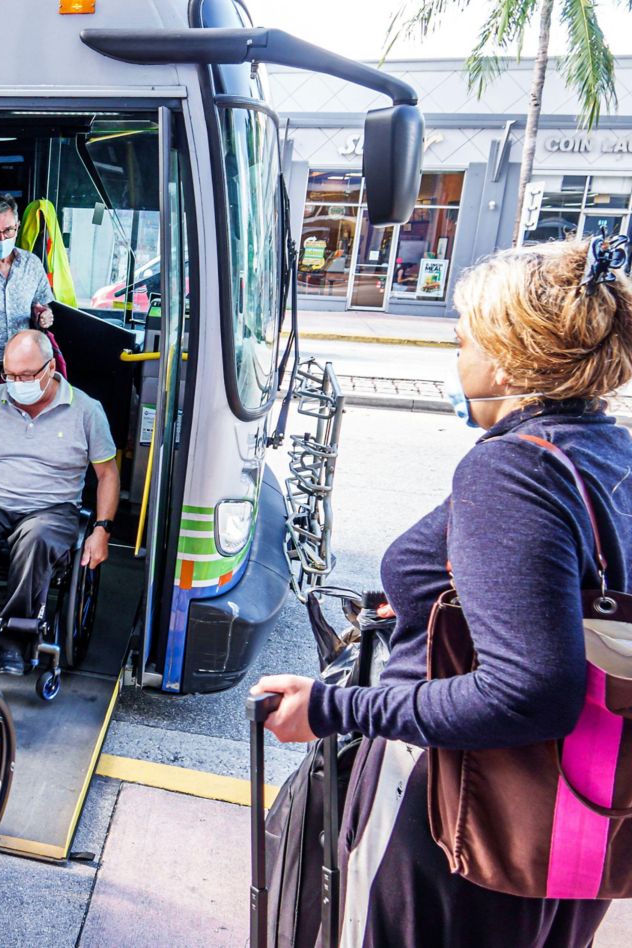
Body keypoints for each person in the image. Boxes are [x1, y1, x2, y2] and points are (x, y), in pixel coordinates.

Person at [252, 235, 632, 947]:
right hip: (571, 819)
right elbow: (566, 604)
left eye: (462, 342)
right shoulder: (608, 452)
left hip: (461, 819)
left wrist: (334, 707)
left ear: (507, 357)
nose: (457, 361)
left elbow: (529, 689)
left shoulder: (515, 472)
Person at [0, 330, 120, 675]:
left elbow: (108, 475)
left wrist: (101, 531)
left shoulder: (86, 411)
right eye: (10, 375)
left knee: (36, 540)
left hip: (52, 509)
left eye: (25, 375)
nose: (15, 384)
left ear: (50, 368)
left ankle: (15, 642)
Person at [0, 194, 55, 385]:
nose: (1, 238)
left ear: (17, 226)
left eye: (8, 230)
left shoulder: (31, 264)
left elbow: (42, 306)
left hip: (23, 368)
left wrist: (43, 315)